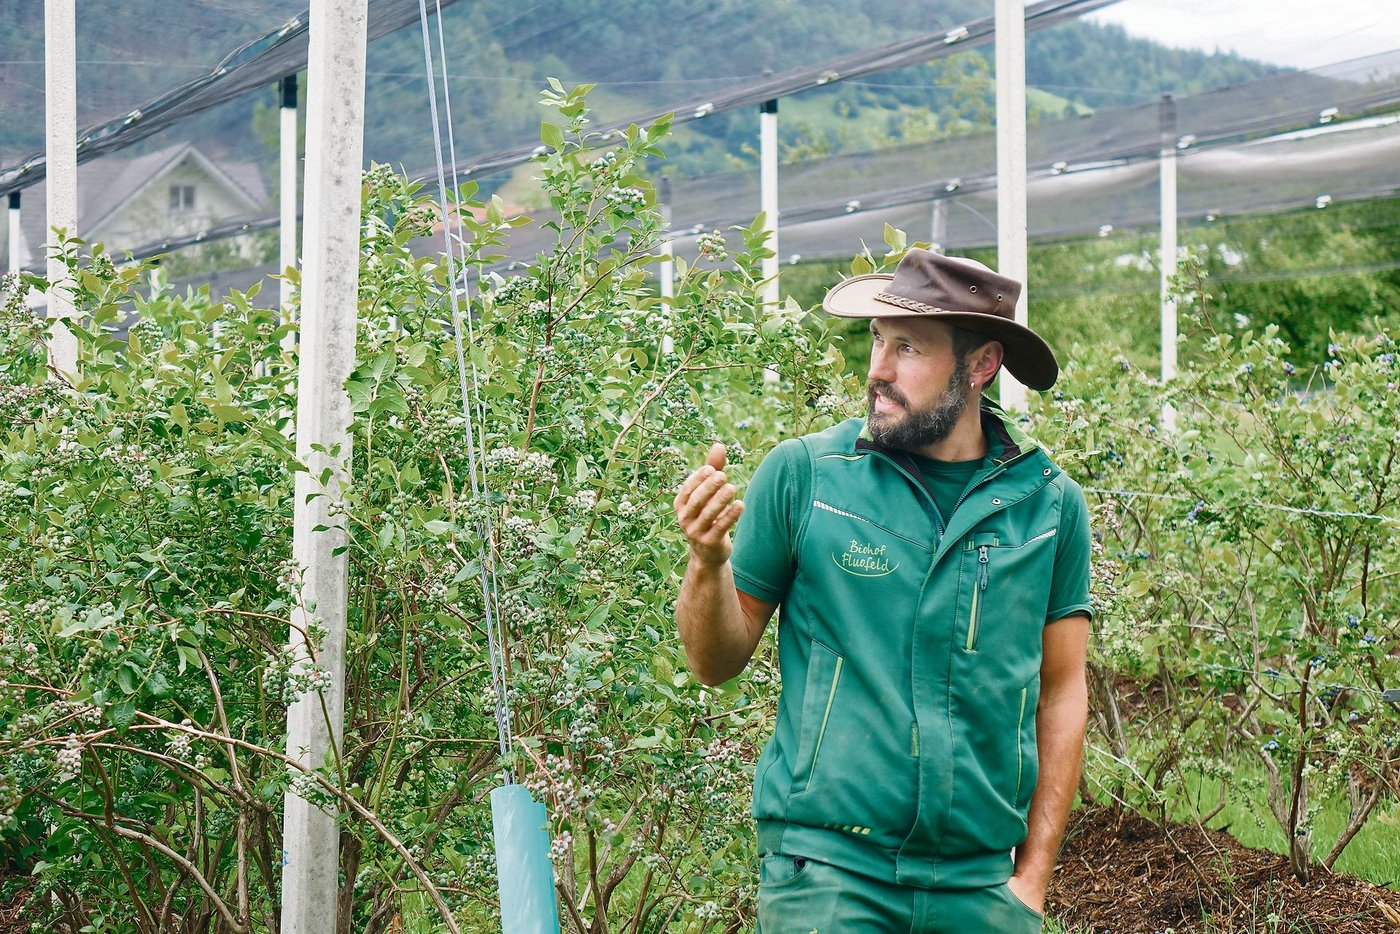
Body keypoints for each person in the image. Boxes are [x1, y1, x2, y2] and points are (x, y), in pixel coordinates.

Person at [672, 249, 1092, 933]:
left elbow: (1062, 690)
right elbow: (713, 662)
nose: (878, 370)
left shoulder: (1047, 506)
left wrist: (1032, 881)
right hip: (829, 881)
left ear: (981, 364)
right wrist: (707, 563)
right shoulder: (806, 477)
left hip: (981, 891)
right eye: (875, 340)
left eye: (908, 348)